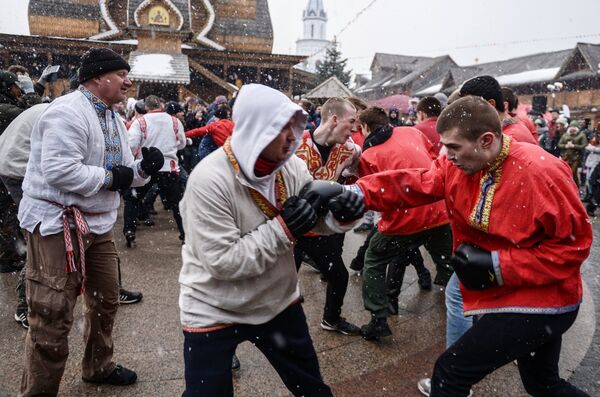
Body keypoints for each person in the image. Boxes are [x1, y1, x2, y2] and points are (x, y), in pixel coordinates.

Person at [349, 96, 591, 397]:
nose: (446, 156)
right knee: (541, 383)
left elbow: (573, 248)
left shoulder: (542, 172)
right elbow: (420, 181)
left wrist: (499, 266)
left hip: (544, 301)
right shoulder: (460, 164)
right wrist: (358, 193)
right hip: (510, 292)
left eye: (453, 148)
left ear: (487, 140)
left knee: (451, 373)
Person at [178, 83, 364, 396]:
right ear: (255, 130)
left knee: (313, 390)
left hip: (276, 301)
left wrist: (344, 216)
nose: (293, 136)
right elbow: (223, 262)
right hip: (214, 306)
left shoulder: (292, 167)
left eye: (296, 126)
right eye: (282, 128)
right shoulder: (208, 180)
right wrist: (285, 229)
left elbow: (316, 222)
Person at [17, 48, 165, 395]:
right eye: (122, 74)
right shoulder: (67, 112)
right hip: (59, 224)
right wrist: (114, 178)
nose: (129, 81)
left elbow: (124, 174)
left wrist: (145, 169)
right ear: (98, 77)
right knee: (52, 314)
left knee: (106, 300)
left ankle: (98, 367)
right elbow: (59, 171)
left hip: (98, 226)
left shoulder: (113, 118)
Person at [356, 107, 453, 339]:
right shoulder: (412, 133)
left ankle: (378, 318)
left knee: (374, 259)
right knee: (448, 264)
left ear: (365, 128)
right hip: (439, 210)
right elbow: (434, 164)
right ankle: (469, 309)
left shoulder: (368, 156)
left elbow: (375, 197)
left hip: (404, 220)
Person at [294, 97, 362, 335]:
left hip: (322, 229)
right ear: (334, 119)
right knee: (276, 285)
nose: (355, 128)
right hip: (289, 227)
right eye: (351, 121)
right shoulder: (295, 145)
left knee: (339, 276)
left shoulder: (351, 150)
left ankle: (331, 320)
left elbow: (362, 174)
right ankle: (230, 343)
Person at [124, 94, 187, 247]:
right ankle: (185, 234)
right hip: (168, 167)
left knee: (133, 199)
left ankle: (130, 231)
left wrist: (137, 154)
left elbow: (131, 145)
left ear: (146, 107)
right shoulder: (174, 121)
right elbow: (182, 144)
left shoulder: (140, 122)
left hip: (147, 167)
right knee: (177, 203)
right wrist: (169, 148)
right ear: (161, 106)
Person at [460, 75, 537, 145]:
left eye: (469, 106)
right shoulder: (501, 132)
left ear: (491, 104)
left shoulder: (510, 138)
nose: (465, 113)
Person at [558, 120, 587, 187]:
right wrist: (565, 146)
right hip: (566, 156)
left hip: (576, 157)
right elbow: (559, 144)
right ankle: (568, 186)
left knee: (573, 172)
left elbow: (584, 145)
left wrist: (574, 146)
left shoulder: (581, 135)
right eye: (571, 126)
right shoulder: (565, 135)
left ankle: (576, 187)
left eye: (574, 126)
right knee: (565, 172)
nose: (572, 128)